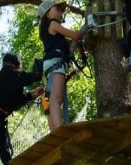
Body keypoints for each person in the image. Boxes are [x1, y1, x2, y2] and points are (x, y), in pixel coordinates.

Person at [38, 0, 87, 131]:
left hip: (53, 65)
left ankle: (55, 131)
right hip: (56, 64)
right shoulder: (53, 24)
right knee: (56, 99)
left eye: (61, 10)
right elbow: (76, 35)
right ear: (47, 14)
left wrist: (75, 44)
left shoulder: (51, 32)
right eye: (57, 9)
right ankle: (59, 130)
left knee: (54, 99)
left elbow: (69, 48)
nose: (60, 12)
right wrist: (87, 26)